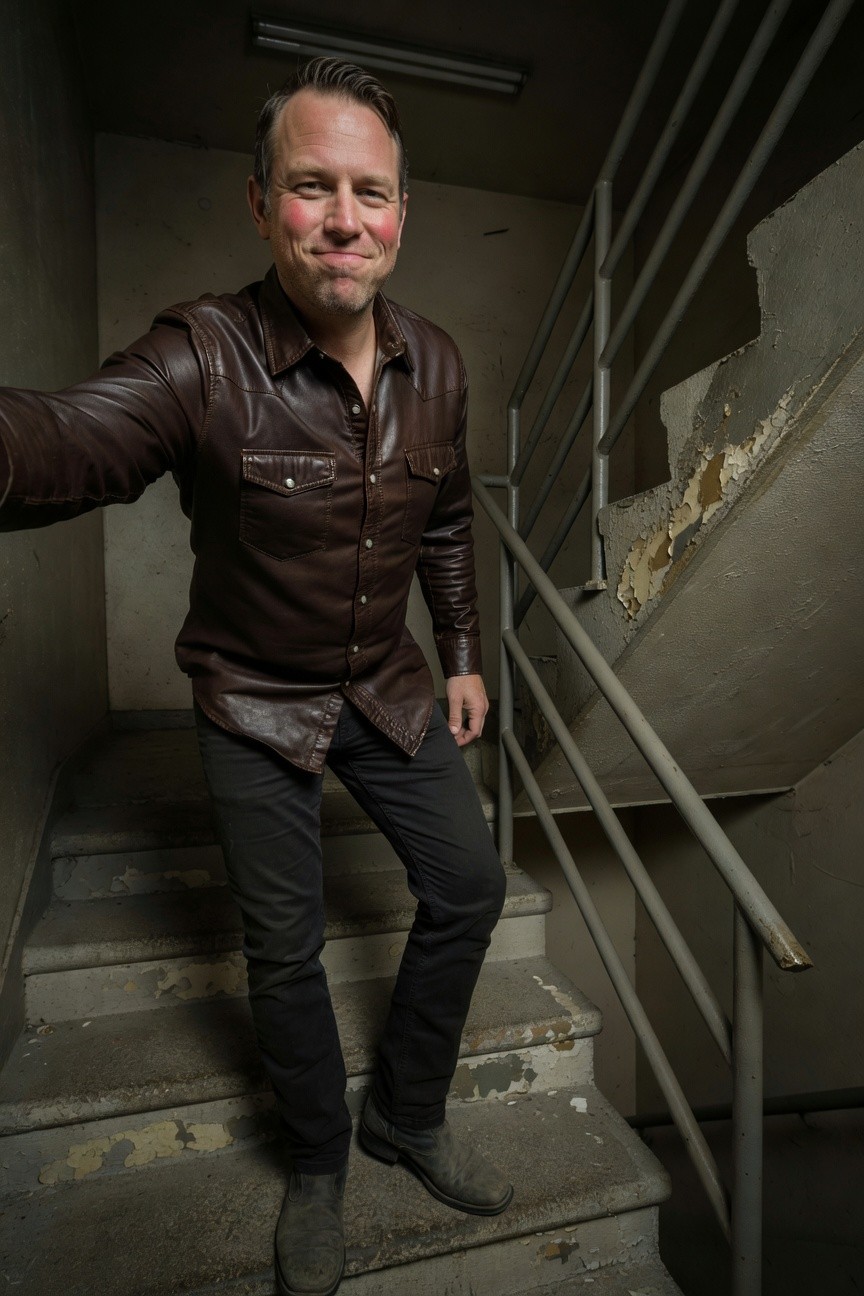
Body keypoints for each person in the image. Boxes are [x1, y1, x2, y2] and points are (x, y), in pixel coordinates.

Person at [0, 56, 511, 1296]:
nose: (345, 219)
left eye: (371, 192)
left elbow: (444, 521)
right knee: (281, 955)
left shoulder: (435, 364)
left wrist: (457, 653)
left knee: (471, 885)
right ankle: (323, 1160)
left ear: (403, 213)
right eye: (311, 187)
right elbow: (72, 437)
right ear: (259, 203)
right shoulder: (203, 355)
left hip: (386, 686)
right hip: (252, 703)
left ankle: (406, 1110)